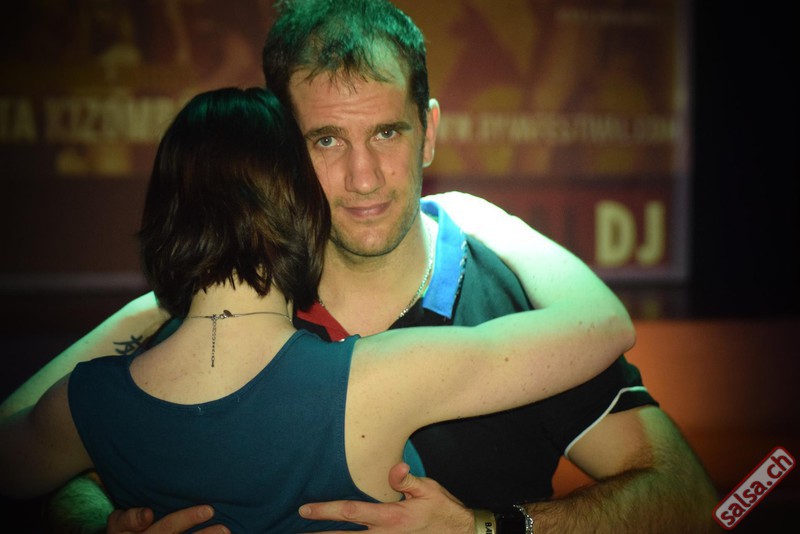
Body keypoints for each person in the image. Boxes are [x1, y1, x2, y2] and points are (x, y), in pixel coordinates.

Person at [0, 0, 718, 532]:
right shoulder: (211, 312)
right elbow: (62, 466)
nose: (365, 177)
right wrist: (94, 523)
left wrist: (491, 529)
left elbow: (687, 501)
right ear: (281, 152)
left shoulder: (509, 294)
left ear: (428, 131)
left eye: (387, 132)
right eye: (327, 141)